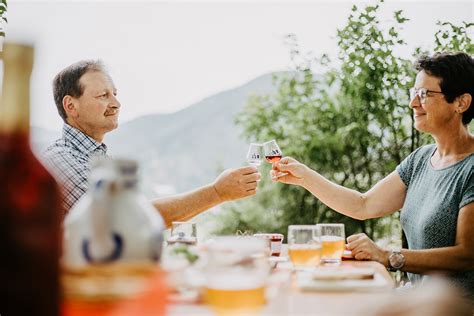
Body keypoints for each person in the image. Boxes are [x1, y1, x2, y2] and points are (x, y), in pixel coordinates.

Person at [271, 52, 474, 298]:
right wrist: (304, 177)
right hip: (417, 301)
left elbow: (466, 255)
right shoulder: (421, 159)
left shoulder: (470, 168)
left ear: (461, 103)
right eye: (413, 93)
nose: (413, 103)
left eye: (424, 94)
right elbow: (363, 204)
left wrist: (387, 256)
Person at [42, 60, 260, 226]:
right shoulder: (61, 161)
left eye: (115, 94)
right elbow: (127, 223)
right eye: (103, 96)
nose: (116, 103)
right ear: (71, 106)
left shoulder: (96, 158)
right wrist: (217, 192)